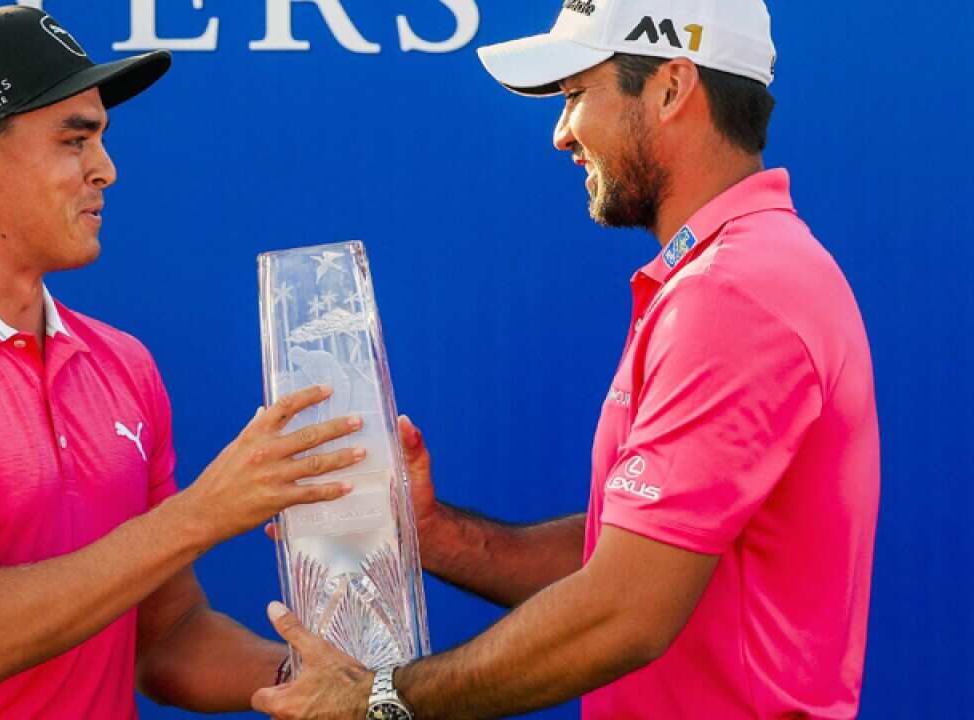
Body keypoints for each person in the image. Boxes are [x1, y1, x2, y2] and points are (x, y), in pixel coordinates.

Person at [252, 1, 880, 718]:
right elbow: (637, 555)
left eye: (577, 94)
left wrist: (379, 699)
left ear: (672, 89)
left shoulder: (735, 294)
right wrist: (434, 536)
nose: (560, 135)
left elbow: (625, 608)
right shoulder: (733, 275)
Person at [0, 7, 366, 718]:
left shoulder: (123, 364)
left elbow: (167, 637)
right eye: (75, 140)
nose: (106, 169)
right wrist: (204, 514)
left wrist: (315, 680)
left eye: (99, 139)